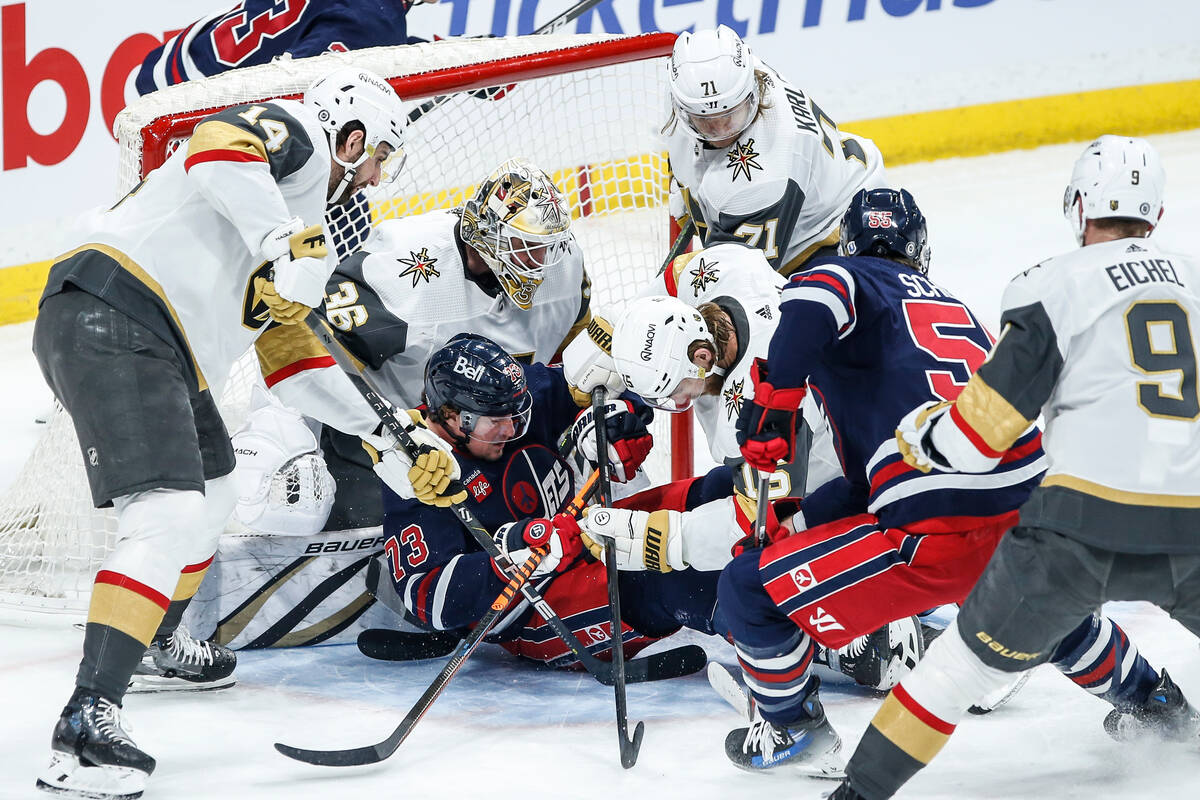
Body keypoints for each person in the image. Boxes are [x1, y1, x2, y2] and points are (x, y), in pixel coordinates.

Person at [32, 66, 411, 799]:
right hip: (116, 309)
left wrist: (389, 432)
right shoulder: (297, 141)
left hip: (154, 335)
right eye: (375, 159)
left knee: (215, 488)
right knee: (167, 514)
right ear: (354, 136)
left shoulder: (299, 233)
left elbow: (292, 362)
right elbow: (214, 139)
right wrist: (282, 242)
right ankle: (86, 722)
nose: (372, 178)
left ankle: (153, 642)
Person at [713, 186, 1174, 777]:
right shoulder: (955, 310)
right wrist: (799, 523)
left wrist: (776, 399)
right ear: (919, 249)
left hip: (938, 528)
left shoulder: (844, 277)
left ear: (849, 245)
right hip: (1035, 510)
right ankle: (1158, 703)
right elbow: (864, 483)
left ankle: (790, 727)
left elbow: (815, 301)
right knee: (1039, 608)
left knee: (748, 591)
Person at [829, 136, 1200, 800]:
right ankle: (1170, 720)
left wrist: (924, 437)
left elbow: (979, 441)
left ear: (1080, 207)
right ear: (1158, 215)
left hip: (1080, 531)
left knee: (951, 676)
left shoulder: (1050, 283)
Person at [571, 244, 922, 697]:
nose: (676, 407)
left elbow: (761, 524)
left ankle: (851, 631)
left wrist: (654, 539)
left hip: (865, 481)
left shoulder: (759, 407)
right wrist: (618, 343)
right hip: (905, 408)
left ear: (702, 358)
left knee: (745, 573)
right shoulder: (724, 268)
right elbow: (672, 283)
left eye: (676, 391)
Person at [255, 157, 591, 531]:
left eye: (546, 245)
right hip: (404, 457)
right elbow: (311, 346)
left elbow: (575, 349)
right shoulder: (401, 269)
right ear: (490, 232)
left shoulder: (563, 265)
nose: (541, 263)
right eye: (527, 245)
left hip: (510, 439)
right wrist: (373, 438)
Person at [372, 333, 728, 669]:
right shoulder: (418, 470)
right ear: (451, 416)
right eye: (496, 422)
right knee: (679, 578)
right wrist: (510, 556)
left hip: (584, 532)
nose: (511, 431)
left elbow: (621, 378)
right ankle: (772, 642)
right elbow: (428, 597)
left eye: (517, 415)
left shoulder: (515, 391)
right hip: (532, 609)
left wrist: (616, 422)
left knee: (720, 491)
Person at [664, 25, 887, 277]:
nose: (720, 131)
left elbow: (735, 280)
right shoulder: (729, 78)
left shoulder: (765, 177)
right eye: (705, 121)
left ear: (751, 93)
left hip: (837, 228)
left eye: (730, 115)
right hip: (815, 188)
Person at [135, 0, 433, 95]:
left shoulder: (375, 19)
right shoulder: (377, 21)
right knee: (349, 218)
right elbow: (297, 94)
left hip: (166, 64)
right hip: (189, 118)